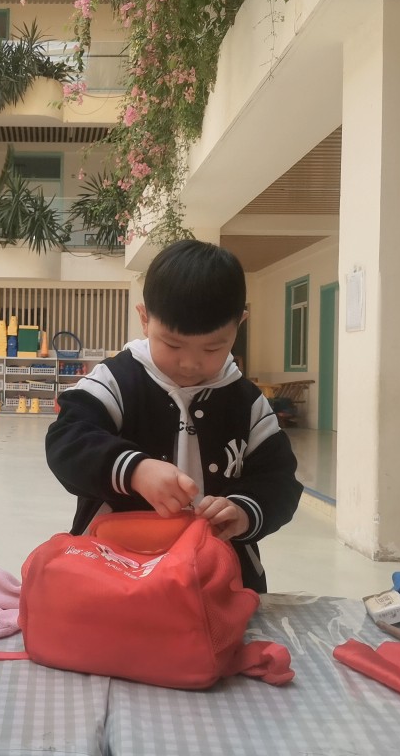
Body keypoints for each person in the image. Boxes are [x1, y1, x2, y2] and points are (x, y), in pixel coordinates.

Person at [45, 239, 302, 593]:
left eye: (213, 347)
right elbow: (66, 442)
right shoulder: (115, 382)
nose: (190, 363)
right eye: (173, 344)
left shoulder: (247, 403)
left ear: (239, 325)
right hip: (115, 576)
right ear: (144, 319)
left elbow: (280, 480)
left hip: (216, 583)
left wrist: (244, 511)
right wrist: (134, 470)